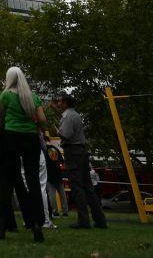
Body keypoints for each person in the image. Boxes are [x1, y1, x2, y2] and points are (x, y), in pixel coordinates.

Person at [0, 67, 47, 243]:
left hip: (11, 138)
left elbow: (1, 114)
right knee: (33, 181)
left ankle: (1, 226)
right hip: (31, 138)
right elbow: (42, 120)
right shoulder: (33, 97)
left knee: (7, 182)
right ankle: (38, 224)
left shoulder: (6, 95)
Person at [53, 93, 107, 230]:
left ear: (65, 103)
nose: (58, 104)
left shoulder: (68, 116)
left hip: (73, 152)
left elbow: (66, 134)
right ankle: (100, 219)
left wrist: (58, 131)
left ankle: (83, 220)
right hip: (82, 151)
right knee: (88, 187)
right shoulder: (76, 114)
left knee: (77, 187)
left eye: (60, 102)